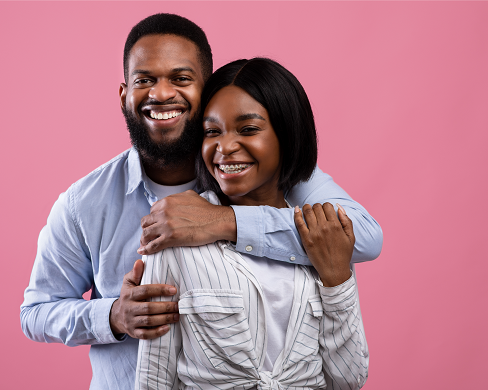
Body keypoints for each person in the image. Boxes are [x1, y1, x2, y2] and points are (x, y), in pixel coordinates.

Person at [21, 14, 381, 390]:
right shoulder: (85, 202)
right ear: (124, 95)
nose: (161, 94)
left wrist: (224, 221)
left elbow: (363, 237)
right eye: (145, 80)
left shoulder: (256, 170)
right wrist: (113, 316)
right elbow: (36, 312)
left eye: (180, 78)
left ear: (206, 89)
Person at [135, 58, 368, 390]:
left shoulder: (321, 236)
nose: (225, 147)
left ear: (287, 136)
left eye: (248, 129)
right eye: (212, 132)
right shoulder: (175, 235)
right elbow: (154, 379)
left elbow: (349, 378)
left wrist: (337, 281)